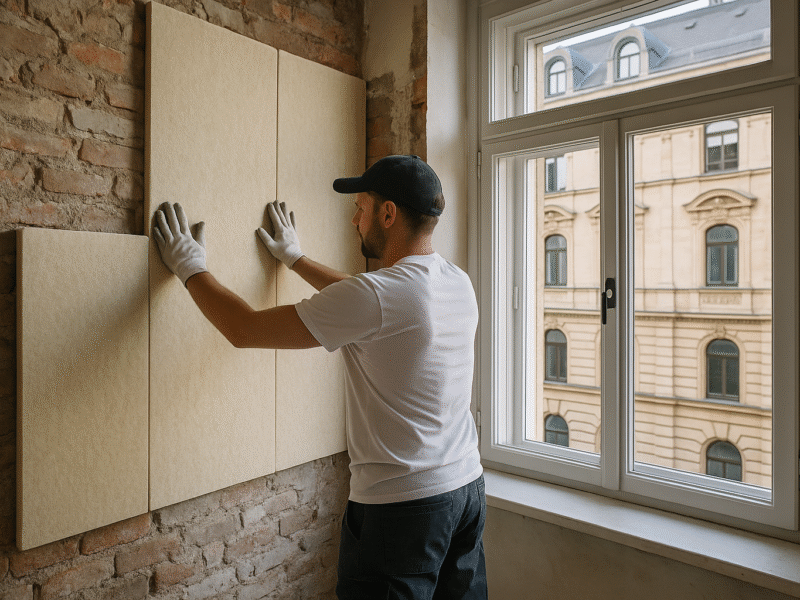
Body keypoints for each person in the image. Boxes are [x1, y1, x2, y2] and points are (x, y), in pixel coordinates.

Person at [153, 154, 487, 599]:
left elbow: (244, 329)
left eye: (362, 207)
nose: (355, 219)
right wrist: (295, 258)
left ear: (388, 214)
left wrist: (190, 267)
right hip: (466, 489)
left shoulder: (380, 295)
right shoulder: (455, 281)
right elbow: (361, 301)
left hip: (403, 509)